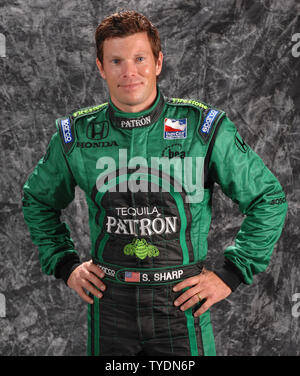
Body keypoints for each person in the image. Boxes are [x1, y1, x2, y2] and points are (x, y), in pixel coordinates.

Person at [22, 10, 288, 356]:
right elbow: (38, 200)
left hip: (180, 305)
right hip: (111, 306)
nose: (129, 71)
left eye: (139, 58)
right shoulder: (78, 135)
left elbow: (268, 198)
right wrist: (65, 263)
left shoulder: (203, 128)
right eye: (116, 60)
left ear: (158, 62)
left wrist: (232, 274)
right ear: (101, 67)